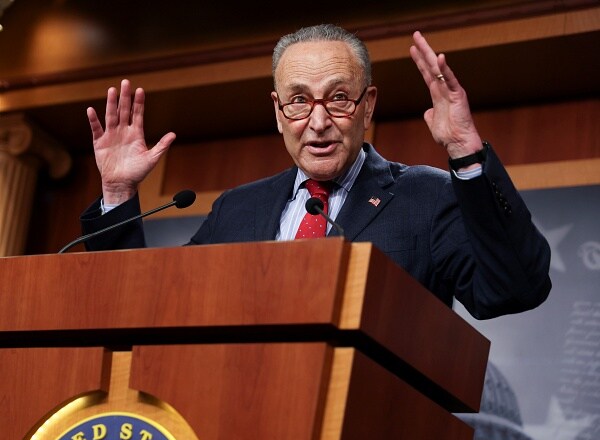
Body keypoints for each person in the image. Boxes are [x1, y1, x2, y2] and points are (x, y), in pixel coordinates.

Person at [80, 24, 551, 320]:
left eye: (339, 97)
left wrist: (467, 156)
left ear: (368, 105)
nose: (319, 121)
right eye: (300, 100)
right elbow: (147, 309)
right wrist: (119, 192)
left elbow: (514, 289)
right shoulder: (238, 210)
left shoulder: (428, 197)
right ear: (278, 112)